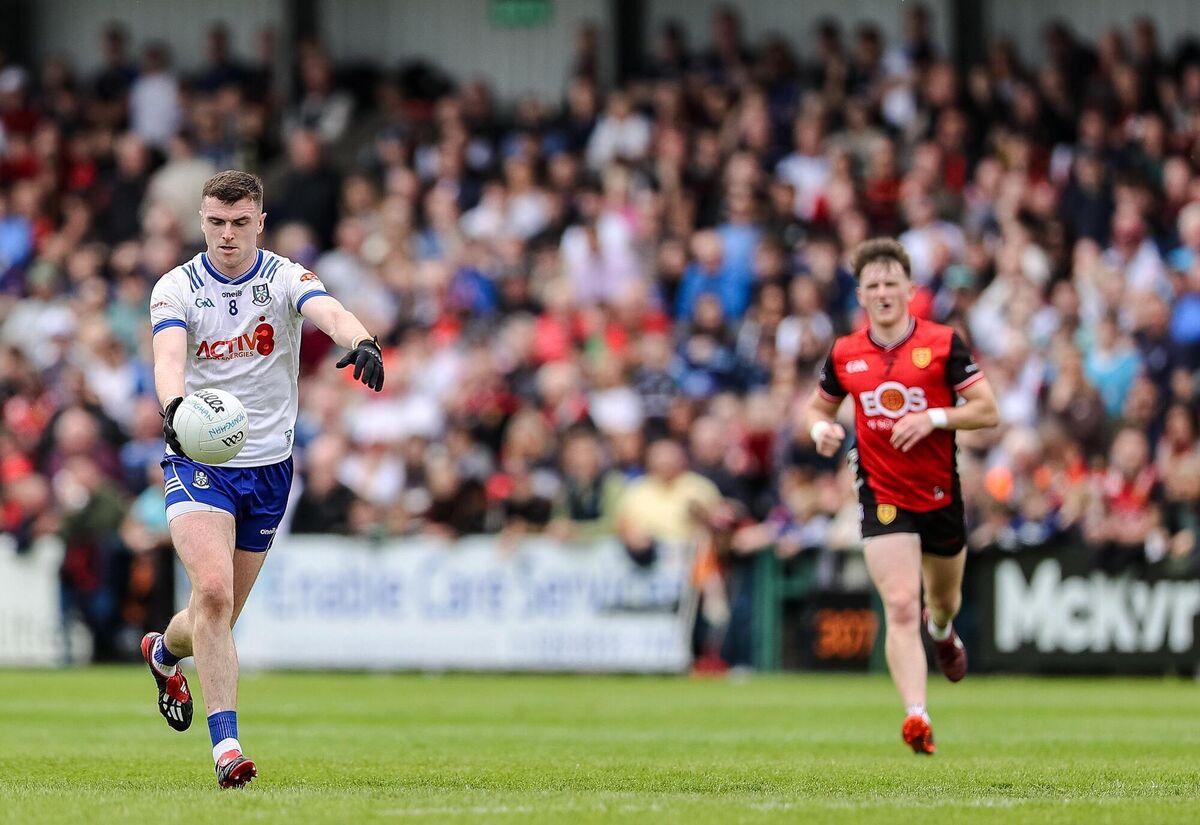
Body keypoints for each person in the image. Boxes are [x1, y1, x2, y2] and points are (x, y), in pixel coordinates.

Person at [141, 170, 384, 788]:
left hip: (269, 470)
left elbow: (326, 309)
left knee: (212, 614)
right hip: (199, 462)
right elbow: (168, 359)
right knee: (214, 595)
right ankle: (228, 750)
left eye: (240, 223)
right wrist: (173, 412)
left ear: (260, 223)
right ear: (202, 222)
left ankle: (164, 652)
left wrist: (361, 341)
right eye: (216, 223)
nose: (227, 235)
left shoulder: (283, 277)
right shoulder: (176, 288)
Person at [802, 238, 998, 755]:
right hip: (881, 492)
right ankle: (918, 715)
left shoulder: (942, 342)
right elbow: (817, 411)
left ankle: (944, 630)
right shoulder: (845, 352)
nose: (883, 292)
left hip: (939, 492)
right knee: (900, 603)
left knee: (941, 601)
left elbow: (987, 410)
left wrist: (933, 417)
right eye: (873, 285)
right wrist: (819, 431)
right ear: (861, 295)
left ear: (911, 290)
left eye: (892, 283)